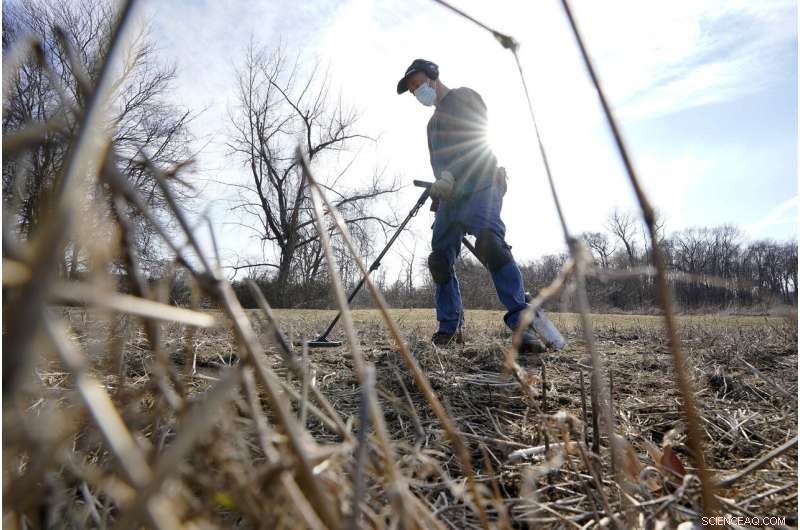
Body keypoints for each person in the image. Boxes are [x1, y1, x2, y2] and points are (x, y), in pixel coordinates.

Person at [396, 58, 548, 354]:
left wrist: (453, 173)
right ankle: (449, 328)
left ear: (433, 76)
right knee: (439, 259)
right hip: (452, 198)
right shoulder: (431, 125)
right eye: (413, 90)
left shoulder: (464, 97)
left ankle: (522, 324)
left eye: (418, 84)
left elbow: (478, 140)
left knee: (490, 244)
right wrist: (440, 187)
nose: (417, 92)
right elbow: (440, 165)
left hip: (482, 182)